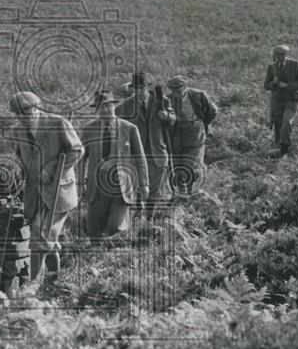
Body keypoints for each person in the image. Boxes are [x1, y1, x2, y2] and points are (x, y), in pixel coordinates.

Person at [8, 90, 84, 289]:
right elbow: (19, 156)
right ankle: (54, 282)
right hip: (34, 195)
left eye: (25, 113)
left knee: (40, 238)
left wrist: (51, 169)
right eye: (18, 114)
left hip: (58, 192)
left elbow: (77, 150)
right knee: (49, 241)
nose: (22, 118)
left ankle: (32, 287)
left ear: (35, 107)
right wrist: (18, 172)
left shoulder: (57, 123)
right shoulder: (18, 131)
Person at [81, 90, 149, 239]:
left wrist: (144, 184)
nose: (105, 110)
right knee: (95, 227)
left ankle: (114, 252)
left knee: (116, 225)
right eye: (101, 107)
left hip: (121, 183)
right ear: (97, 110)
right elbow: (81, 158)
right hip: (97, 184)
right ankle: (97, 254)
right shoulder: (89, 129)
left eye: (108, 106)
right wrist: (80, 182)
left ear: (114, 106)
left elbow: (140, 158)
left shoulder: (129, 129)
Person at [116, 71, 175, 213]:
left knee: (154, 188)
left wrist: (166, 116)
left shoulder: (162, 101)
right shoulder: (126, 105)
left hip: (157, 151)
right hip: (136, 152)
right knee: (137, 185)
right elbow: (115, 119)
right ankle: (138, 210)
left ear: (147, 87)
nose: (139, 92)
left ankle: (149, 216)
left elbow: (173, 118)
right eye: (136, 89)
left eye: (141, 88)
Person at [166, 75, 218, 194]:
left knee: (190, 165)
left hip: (195, 135)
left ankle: (188, 192)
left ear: (185, 87)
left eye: (178, 89)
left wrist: (201, 122)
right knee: (177, 165)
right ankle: (180, 193)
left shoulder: (199, 95)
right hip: (177, 135)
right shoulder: (168, 99)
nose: (175, 93)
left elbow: (213, 111)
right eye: (173, 90)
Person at [263, 44, 298, 156]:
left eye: (282, 54)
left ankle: (285, 147)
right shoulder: (272, 67)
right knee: (278, 125)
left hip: (291, 100)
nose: (280, 57)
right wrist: (273, 84)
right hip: (277, 101)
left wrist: (287, 85)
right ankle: (280, 149)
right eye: (278, 55)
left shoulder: (295, 65)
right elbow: (266, 85)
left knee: (286, 123)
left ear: (287, 54)